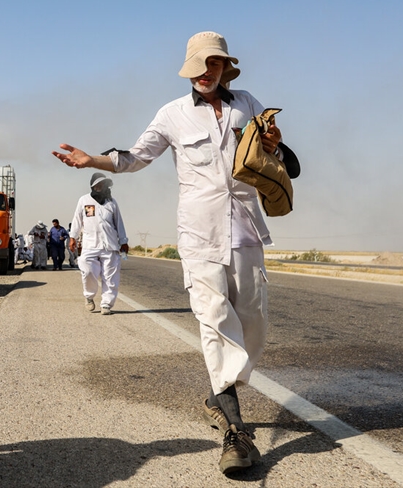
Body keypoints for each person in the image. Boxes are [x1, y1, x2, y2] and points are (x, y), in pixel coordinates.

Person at [53, 31, 300, 475]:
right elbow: (134, 156)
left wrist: (273, 143)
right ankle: (235, 431)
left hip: (245, 229)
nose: (208, 73)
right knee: (214, 323)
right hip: (198, 235)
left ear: (225, 68)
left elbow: (277, 154)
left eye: (215, 65)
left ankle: (218, 394)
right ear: (190, 70)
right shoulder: (172, 114)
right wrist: (93, 160)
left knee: (254, 323)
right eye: (200, 66)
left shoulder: (247, 103)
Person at [69, 173, 129, 314]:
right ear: (92, 185)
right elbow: (77, 220)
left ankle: (106, 304)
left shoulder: (111, 202)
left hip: (110, 245)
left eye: (102, 184)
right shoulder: (84, 200)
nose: (99, 187)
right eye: (96, 184)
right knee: (88, 271)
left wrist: (123, 241)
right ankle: (89, 296)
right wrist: (73, 237)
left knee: (110, 277)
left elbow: (119, 223)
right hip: (90, 244)